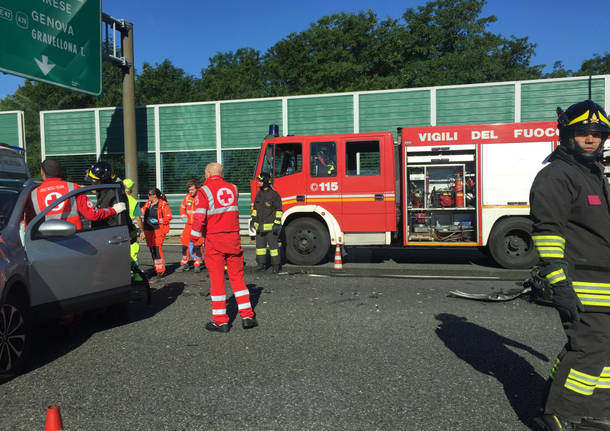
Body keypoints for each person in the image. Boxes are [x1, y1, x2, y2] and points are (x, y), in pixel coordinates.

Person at [529, 100, 610, 430]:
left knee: (603, 351)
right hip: (580, 284)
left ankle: (598, 410)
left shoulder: (592, 175)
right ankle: (561, 413)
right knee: (588, 349)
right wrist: (558, 281)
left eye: (597, 134)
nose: (590, 139)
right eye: (582, 133)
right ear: (566, 135)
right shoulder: (556, 175)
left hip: (602, 284)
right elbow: (549, 231)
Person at [190, 162, 257, 333]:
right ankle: (248, 316)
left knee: (218, 281)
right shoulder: (233, 188)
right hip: (233, 238)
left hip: (214, 240)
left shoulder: (203, 191)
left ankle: (221, 321)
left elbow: (199, 218)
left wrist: (194, 239)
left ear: (207, 173)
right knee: (237, 278)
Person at [24, 158, 125, 226]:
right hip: (74, 241)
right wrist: (114, 210)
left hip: (43, 244)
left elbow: (28, 225)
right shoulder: (73, 188)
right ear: (61, 172)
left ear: (42, 172)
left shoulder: (32, 194)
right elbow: (92, 215)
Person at [251, 172, 283, 273]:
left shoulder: (274, 195)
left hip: (271, 228)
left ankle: (276, 266)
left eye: (260, 181)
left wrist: (277, 223)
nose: (259, 183)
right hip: (260, 227)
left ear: (265, 181)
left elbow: (278, 210)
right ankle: (261, 264)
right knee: (260, 248)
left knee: (273, 248)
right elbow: (255, 208)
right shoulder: (259, 194)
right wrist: (253, 219)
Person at [140, 188, 172, 280]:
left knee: (157, 250)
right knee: (152, 250)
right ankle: (156, 268)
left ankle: (160, 271)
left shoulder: (163, 204)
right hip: (148, 230)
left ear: (155, 195)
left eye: (150, 194)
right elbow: (142, 211)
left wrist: (158, 220)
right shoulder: (148, 203)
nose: (148, 196)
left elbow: (169, 217)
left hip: (158, 230)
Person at [176, 179, 204, 273]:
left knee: (197, 244)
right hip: (188, 225)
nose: (190, 192)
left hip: (197, 225)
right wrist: (183, 217)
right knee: (185, 244)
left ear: (197, 188)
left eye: (192, 190)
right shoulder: (187, 197)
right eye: (189, 190)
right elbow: (182, 207)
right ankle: (185, 263)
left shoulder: (201, 197)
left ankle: (197, 263)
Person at [123, 178, 145, 268]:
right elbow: (138, 218)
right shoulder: (133, 201)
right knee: (133, 249)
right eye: (132, 187)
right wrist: (142, 231)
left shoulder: (116, 199)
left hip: (117, 228)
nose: (133, 189)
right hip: (129, 229)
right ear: (129, 188)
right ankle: (137, 275)